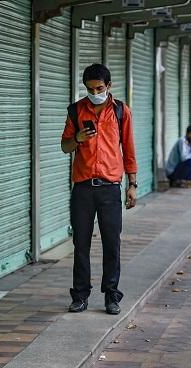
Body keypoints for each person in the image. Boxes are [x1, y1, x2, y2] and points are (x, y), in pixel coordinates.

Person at [61, 63, 138, 316]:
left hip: (110, 189)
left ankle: (111, 296)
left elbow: (128, 148)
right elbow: (65, 146)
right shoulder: (75, 111)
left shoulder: (120, 111)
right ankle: (80, 296)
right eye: (90, 89)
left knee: (111, 244)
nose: (95, 92)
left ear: (109, 86)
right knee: (81, 244)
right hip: (83, 189)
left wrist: (132, 184)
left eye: (100, 88)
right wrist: (78, 139)